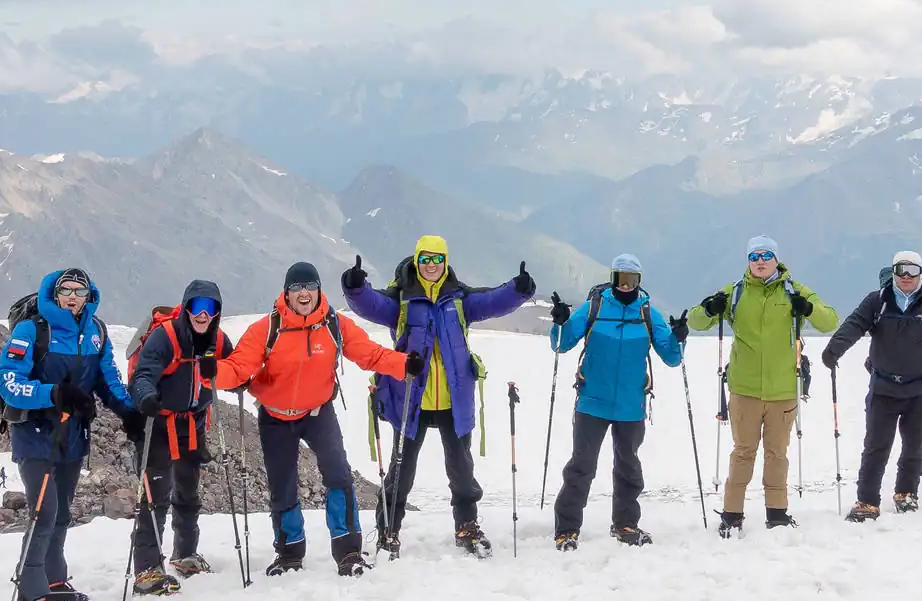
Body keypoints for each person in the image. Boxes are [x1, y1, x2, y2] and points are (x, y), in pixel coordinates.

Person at [341, 236, 536, 557]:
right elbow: (371, 304)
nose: (432, 265)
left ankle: (466, 526)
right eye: (426, 260)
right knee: (401, 472)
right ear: (417, 262)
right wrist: (355, 287)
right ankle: (389, 530)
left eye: (437, 259)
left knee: (461, 470)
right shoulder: (402, 300)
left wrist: (519, 288)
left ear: (446, 262)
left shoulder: (458, 298)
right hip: (411, 399)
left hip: (452, 400)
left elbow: (492, 301)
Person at [218, 262, 415, 576]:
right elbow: (239, 367)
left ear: (319, 289)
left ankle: (348, 551)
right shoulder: (267, 329)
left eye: (309, 285)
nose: (303, 293)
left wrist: (404, 365)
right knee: (282, 486)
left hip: (319, 413)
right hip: (275, 416)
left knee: (338, 476)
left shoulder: (334, 324)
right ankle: (289, 554)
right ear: (286, 292)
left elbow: (370, 354)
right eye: (296, 287)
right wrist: (211, 374)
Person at [0, 268, 141, 601]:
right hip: (36, 436)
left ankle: (54, 581)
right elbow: (8, 381)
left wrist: (128, 412)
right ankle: (30, 594)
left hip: (73, 438)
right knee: (43, 514)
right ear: (54, 294)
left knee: (61, 514)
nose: (73, 296)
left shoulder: (96, 332)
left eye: (80, 290)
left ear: (89, 295)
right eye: (66, 290)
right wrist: (54, 394)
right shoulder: (32, 330)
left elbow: (108, 379)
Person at [686, 236, 839, 535]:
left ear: (776, 259)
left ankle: (777, 513)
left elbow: (829, 321)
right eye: (754, 256)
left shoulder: (795, 290)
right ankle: (732, 514)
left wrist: (807, 309)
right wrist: (709, 308)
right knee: (743, 451)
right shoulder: (735, 292)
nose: (760, 261)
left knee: (776, 453)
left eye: (766, 255)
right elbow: (695, 321)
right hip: (744, 389)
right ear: (748, 260)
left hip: (783, 389)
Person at [821, 251, 922, 521]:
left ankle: (906, 494)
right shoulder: (878, 302)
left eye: (912, 270)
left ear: (921, 272)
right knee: (876, 446)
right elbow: (854, 325)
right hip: (884, 387)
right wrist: (834, 350)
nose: (906, 276)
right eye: (901, 270)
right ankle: (867, 501)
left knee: (913, 446)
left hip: (921, 388)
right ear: (893, 271)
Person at [548, 254, 684, 548]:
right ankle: (566, 528)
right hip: (592, 401)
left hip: (630, 405)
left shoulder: (647, 312)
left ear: (639, 282)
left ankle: (625, 525)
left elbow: (672, 357)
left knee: (628, 468)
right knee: (581, 467)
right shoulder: (595, 307)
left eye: (631, 280)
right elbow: (562, 344)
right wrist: (560, 323)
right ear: (612, 279)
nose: (625, 286)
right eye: (620, 279)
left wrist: (678, 338)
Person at [127, 279, 235, 596]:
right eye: (197, 307)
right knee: (155, 495)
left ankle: (185, 555)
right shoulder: (165, 337)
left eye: (211, 308)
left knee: (188, 491)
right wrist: (145, 396)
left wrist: (236, 377)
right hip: (158, 423)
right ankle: (147, 569)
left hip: (193, 424)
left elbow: (237, 366)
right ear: (186, 308)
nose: (203, 315)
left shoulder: (218, 340)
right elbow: (143, 374)